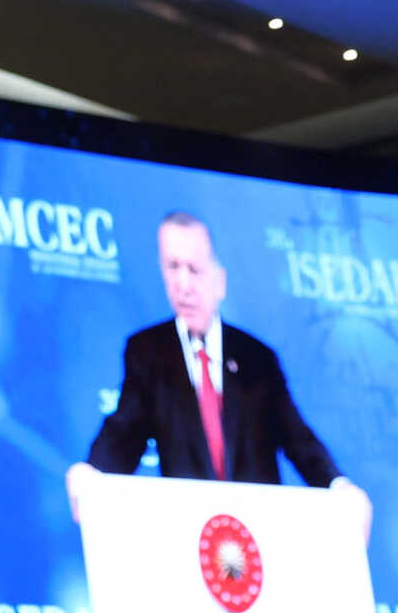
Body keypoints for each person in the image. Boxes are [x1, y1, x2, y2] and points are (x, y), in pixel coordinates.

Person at [67, 214, 366, 523]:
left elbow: (298, 439)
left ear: (219, 281)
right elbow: (124, 433)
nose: (183, 285)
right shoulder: (147, 353)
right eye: (173, 267)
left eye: (194, 270)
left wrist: (338, 486)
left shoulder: (258, 358)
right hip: (189, 530)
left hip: (258, 530)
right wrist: (93, 474)